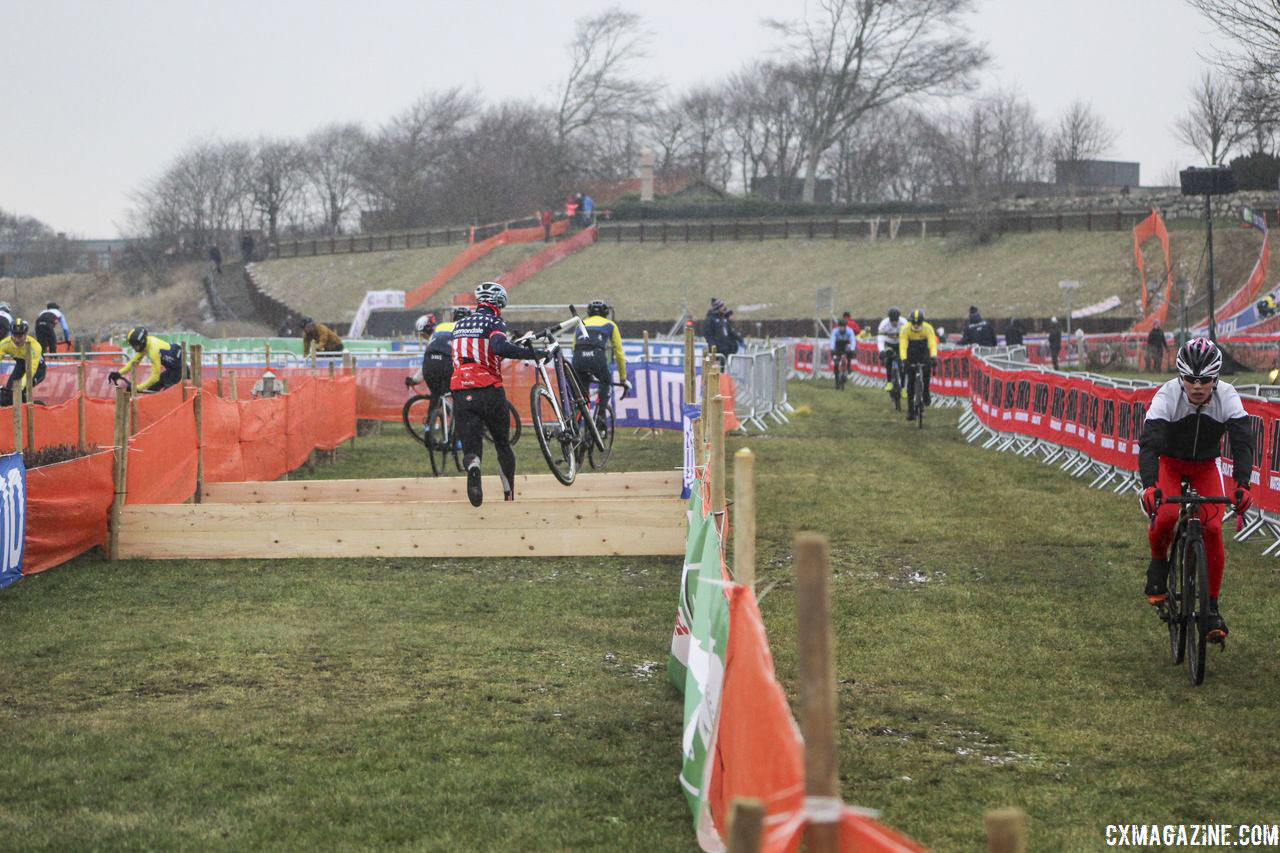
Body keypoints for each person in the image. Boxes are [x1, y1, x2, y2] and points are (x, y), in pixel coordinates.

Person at [1139, 337, 1254, 642]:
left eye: (1204, 380)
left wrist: (1242, 484)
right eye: (1190, 379)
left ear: (1215, 379)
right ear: (1181, 377)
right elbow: (1149, 444)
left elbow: (1243, 442)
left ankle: (1212, 608)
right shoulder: (1167, 395)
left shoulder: (1228, 396)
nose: (1197, 386)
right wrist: (1150, 486)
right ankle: (1158, 563)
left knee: (1213, 529)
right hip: (1170, 463)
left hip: (1205, 465)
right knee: (1166, 516)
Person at [451, 282, 547, 507]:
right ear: (499, 303)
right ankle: (508, 494)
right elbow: (500, 347)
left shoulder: (459, 325)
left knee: (471, 447)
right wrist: (533, 354)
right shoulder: (494, 322)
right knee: (502, 443)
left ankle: (474, 466)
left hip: (460, 390)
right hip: (488, 390)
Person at [573, 300, 630, 411]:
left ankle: (577, 421)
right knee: (605, 381)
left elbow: (574, 348)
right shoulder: (610, 325)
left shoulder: (579, 325)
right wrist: (623, 378)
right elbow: (618, 352)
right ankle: (600, 415)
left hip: (578, 359)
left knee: (580, 394)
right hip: (597, 357)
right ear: (606, 313)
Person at [406, 308, 467, 403]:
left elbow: (427, 363)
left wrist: (415, 380)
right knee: (457, 393)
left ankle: (432, 416)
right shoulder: (464, 330)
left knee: (435, 396)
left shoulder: (440, 329)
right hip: (447, 365)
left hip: (431, 368)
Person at [109, 326, 183, 393]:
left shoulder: (153, 351)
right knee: (152, 389)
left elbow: (155, 377)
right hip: (172, 368)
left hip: (179, 370)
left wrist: (138, 388)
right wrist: (119, 373)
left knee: (166, 393)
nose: (134, 349)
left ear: (141, 342)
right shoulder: (147, 343)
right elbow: (134, 362)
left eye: (135, 346)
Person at [898, 309, 938, 421]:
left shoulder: (928, 328)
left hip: (923, 352)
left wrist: (933, 357)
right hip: (911, 353)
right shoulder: (905, 329)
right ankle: (911, 410)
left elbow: (932, 343)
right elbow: (903, 346)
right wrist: (904, 360)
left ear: (922, 322)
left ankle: (926, 392)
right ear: (910, 322)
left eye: (918, 323)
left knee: (927, 372)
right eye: (914, 323)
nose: (916, 325)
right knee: (910, 382)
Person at [0, 319, 46, 406]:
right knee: (8, 393)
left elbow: (31, 370)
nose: (17, 340)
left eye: (20, 336)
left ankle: (28, 410)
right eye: (15, 335)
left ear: (26, 334)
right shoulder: (5, 344)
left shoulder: (35, 346)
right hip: (21, 365)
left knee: (20, 390)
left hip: (37, 369)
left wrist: (20, 387)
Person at [877, 307, 908, 409]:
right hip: (888, 344)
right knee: (888, 361)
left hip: (900, 344)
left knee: (902, 365)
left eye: (896, 321)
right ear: (889, 319)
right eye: (892, 321)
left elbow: (909, 336)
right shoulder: (884, 324)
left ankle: (903, 387)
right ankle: (889, 381)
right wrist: (881, 351)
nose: (894, 323)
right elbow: (880, 339)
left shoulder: (904, 322)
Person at [830, 313, 857, 379]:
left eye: (843, 327)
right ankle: (836, 370)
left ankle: (848, 366)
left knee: (850, 353)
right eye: (840, 327)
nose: (842, 328)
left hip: (846, 345)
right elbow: (832, 341)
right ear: (838, 326)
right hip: (837, 346)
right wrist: (832, 349)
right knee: (835, 360)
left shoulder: (849, 331)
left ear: (845, 326)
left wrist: (852, 349)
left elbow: (853, 340)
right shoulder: (835, 331)